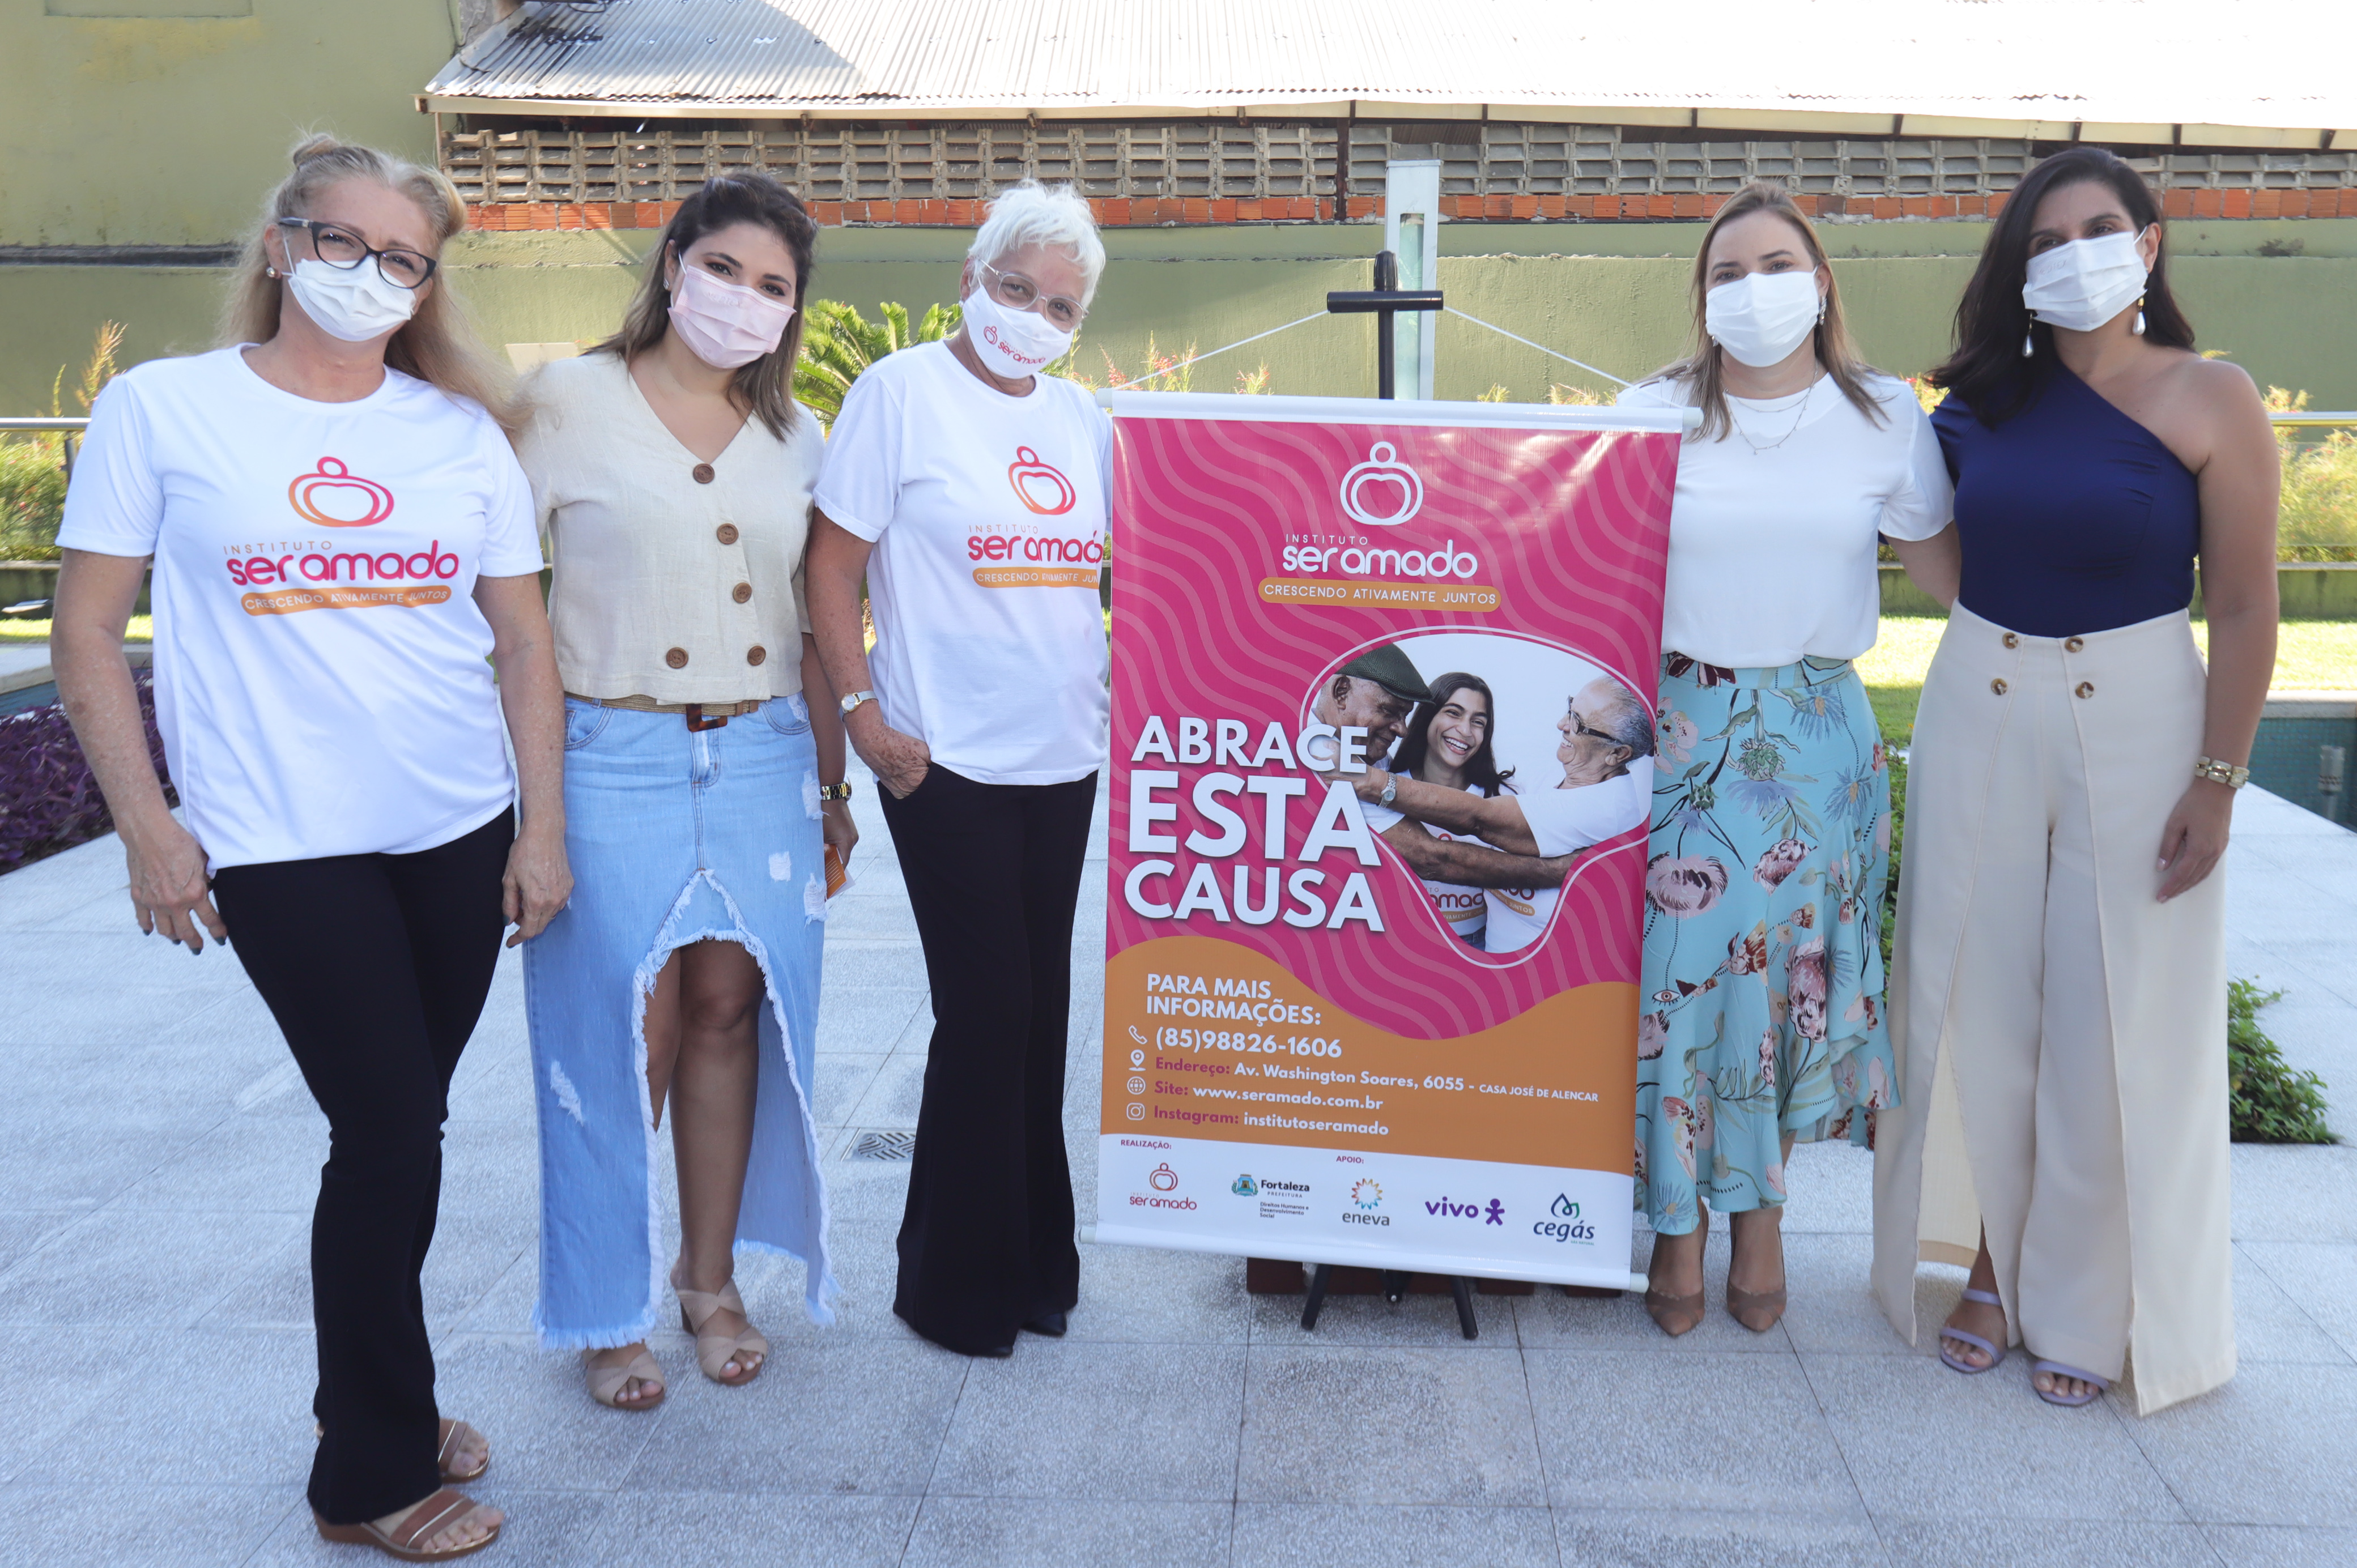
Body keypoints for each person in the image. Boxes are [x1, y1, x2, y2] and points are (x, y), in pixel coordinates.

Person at [50, 135, 567, 1559]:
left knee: (405, 1130)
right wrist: (150, 828)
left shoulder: (458, 431)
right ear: (281, 246)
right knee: (388, 1129)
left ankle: (376, 1393)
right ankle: (368, 1477)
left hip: (454, 829)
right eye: (343, 242)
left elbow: (523, 643)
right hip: (283, 845)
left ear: (427, 285)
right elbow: (85, 632)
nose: (369, 274)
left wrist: (541, 827)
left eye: (404, 258)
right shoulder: (165, 410)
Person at [1874, 147, 2277, 1412]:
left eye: (2100, 230)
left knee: (2116, 1014)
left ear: (2147, 246)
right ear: (2017, 268)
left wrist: (2219, 778)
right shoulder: (1975, 404)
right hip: (1981, 704)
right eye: (2045, 241)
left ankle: (2092, 1304)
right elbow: (1936, 553)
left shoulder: (2213, 396)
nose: (2074, 256)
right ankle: (1988, 1269)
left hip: (2146, 716)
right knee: (1978, 997)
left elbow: (2248, 602)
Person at [514, 173, 853, 1411]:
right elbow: (503, 610)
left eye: (772, 287)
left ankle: (709, 1283)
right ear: (671, 264)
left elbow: (814, 628)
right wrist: (534, 810)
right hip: (611, 752)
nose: (742, 300)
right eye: (724, 270)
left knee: (727, 1009)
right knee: (622, 1031)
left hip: (764, 753)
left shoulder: (798, 436)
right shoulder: (561, 403)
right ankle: (606, 1306)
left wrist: (833, 788)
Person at [1612, 181, 1955, 1338]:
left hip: (1818, 744)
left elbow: (1956, 574)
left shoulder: (1884, 415)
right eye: (1726, 272)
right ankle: (1678, 1224)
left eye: (1775, 265)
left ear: (1820, 284)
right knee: (1683, 981)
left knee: (1788, 982)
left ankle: (1760, 1218)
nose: (1751, 289)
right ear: (1701, 297)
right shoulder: (1651, 412)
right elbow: (1580, 563)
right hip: (1683, 734)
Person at [803, 181, 1109, 1358]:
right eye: (1016, 288)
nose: (1034, 317)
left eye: (1060, 307)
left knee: (1039, 1012)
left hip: (1062, 753)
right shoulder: (899, 395)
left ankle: (1033, 1266)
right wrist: (862, 713)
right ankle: (951, 1286)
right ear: (972, 278)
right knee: (987, 1011)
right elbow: (832, 566)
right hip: (940, 757)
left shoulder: (1083, 419)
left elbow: (1141, 567)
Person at [1355, 674, 1653, 956]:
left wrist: (1369, 782)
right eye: (1570, 708)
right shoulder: (1546, 779)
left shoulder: (1605, 809)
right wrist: (1559, 870)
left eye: (1579, 723)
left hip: (1534, 976)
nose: (1561, 724)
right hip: (1430, 948)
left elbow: (1477, 821)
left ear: (1617, 755)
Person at [1307, 647, 1575, 909]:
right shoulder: (1323, 755)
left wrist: (1375, 782)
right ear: (1341, 692)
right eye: (1388, 710)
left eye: (1479, 722)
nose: (1401, 729)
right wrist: (1559, 871)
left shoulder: (1366, 754)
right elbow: (1431, 859)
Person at [1388, 672, 1517, 947]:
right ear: (1428, 716)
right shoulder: (1388, 787)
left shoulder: (1503, 798)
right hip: (1400, 941)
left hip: (1476, 943)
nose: (1465, 731)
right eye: (1453, 713)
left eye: (1478, 722)